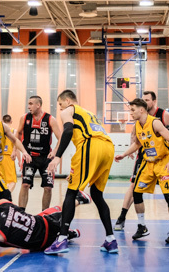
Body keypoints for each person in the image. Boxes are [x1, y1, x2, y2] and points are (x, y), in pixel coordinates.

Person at [44, 90, 118, 254]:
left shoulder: (68, 110)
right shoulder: (89, 113)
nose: (60, 108)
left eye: (60, 104)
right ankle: (111, 240)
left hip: (90, 146)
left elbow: (68, 131)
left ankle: (62, 239)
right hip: (107, 148)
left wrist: (57, 157)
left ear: (68, 101)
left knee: (71, 193)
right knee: (97, 194)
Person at [114, 91, 169, 232]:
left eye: (132, 110)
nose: (131, 113)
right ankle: (138, 224)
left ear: (144, 108)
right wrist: (124, 154)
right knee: (135, 190)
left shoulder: (158, 120)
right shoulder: (137, 125)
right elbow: (137, 143)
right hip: (147, 160)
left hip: (163, 160)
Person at [16, 96, 63, 211]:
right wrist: (15, 150)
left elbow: (61, 137)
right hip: (29, 157)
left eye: (31, 104)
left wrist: (55, 151)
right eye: (28, 103)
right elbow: (18, 134)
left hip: (45, 158)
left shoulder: (50, 119)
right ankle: (21, 212)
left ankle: (44, 214)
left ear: (38, 105)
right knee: (25, 184)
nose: (28, 106)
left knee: (48, 187)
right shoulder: (24, 118)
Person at [2, 115, 20, 193]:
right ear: (11, 121)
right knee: (12, 181)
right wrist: (20, 160)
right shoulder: (13, 131)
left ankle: (1, 198)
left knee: (3, 180)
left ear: (2, 121)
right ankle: (7, 196)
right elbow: (17, 147)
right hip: (9, 157)